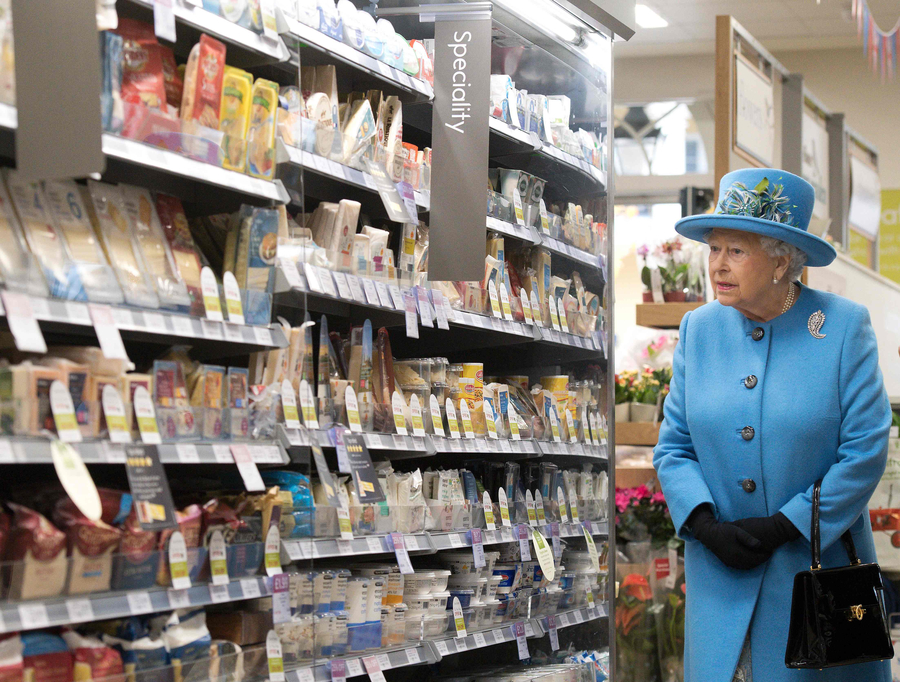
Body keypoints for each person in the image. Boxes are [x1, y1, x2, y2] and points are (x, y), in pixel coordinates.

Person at [653, 168, 892, 682]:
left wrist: (789, 523)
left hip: (811, 577)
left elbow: (866, 448)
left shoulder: (842, 326)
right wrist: (702, 524)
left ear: (783, 258)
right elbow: (674, 447)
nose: (717, 264)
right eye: (713, 249)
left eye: (735, 251)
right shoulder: (699, 329)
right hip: (719, 578)